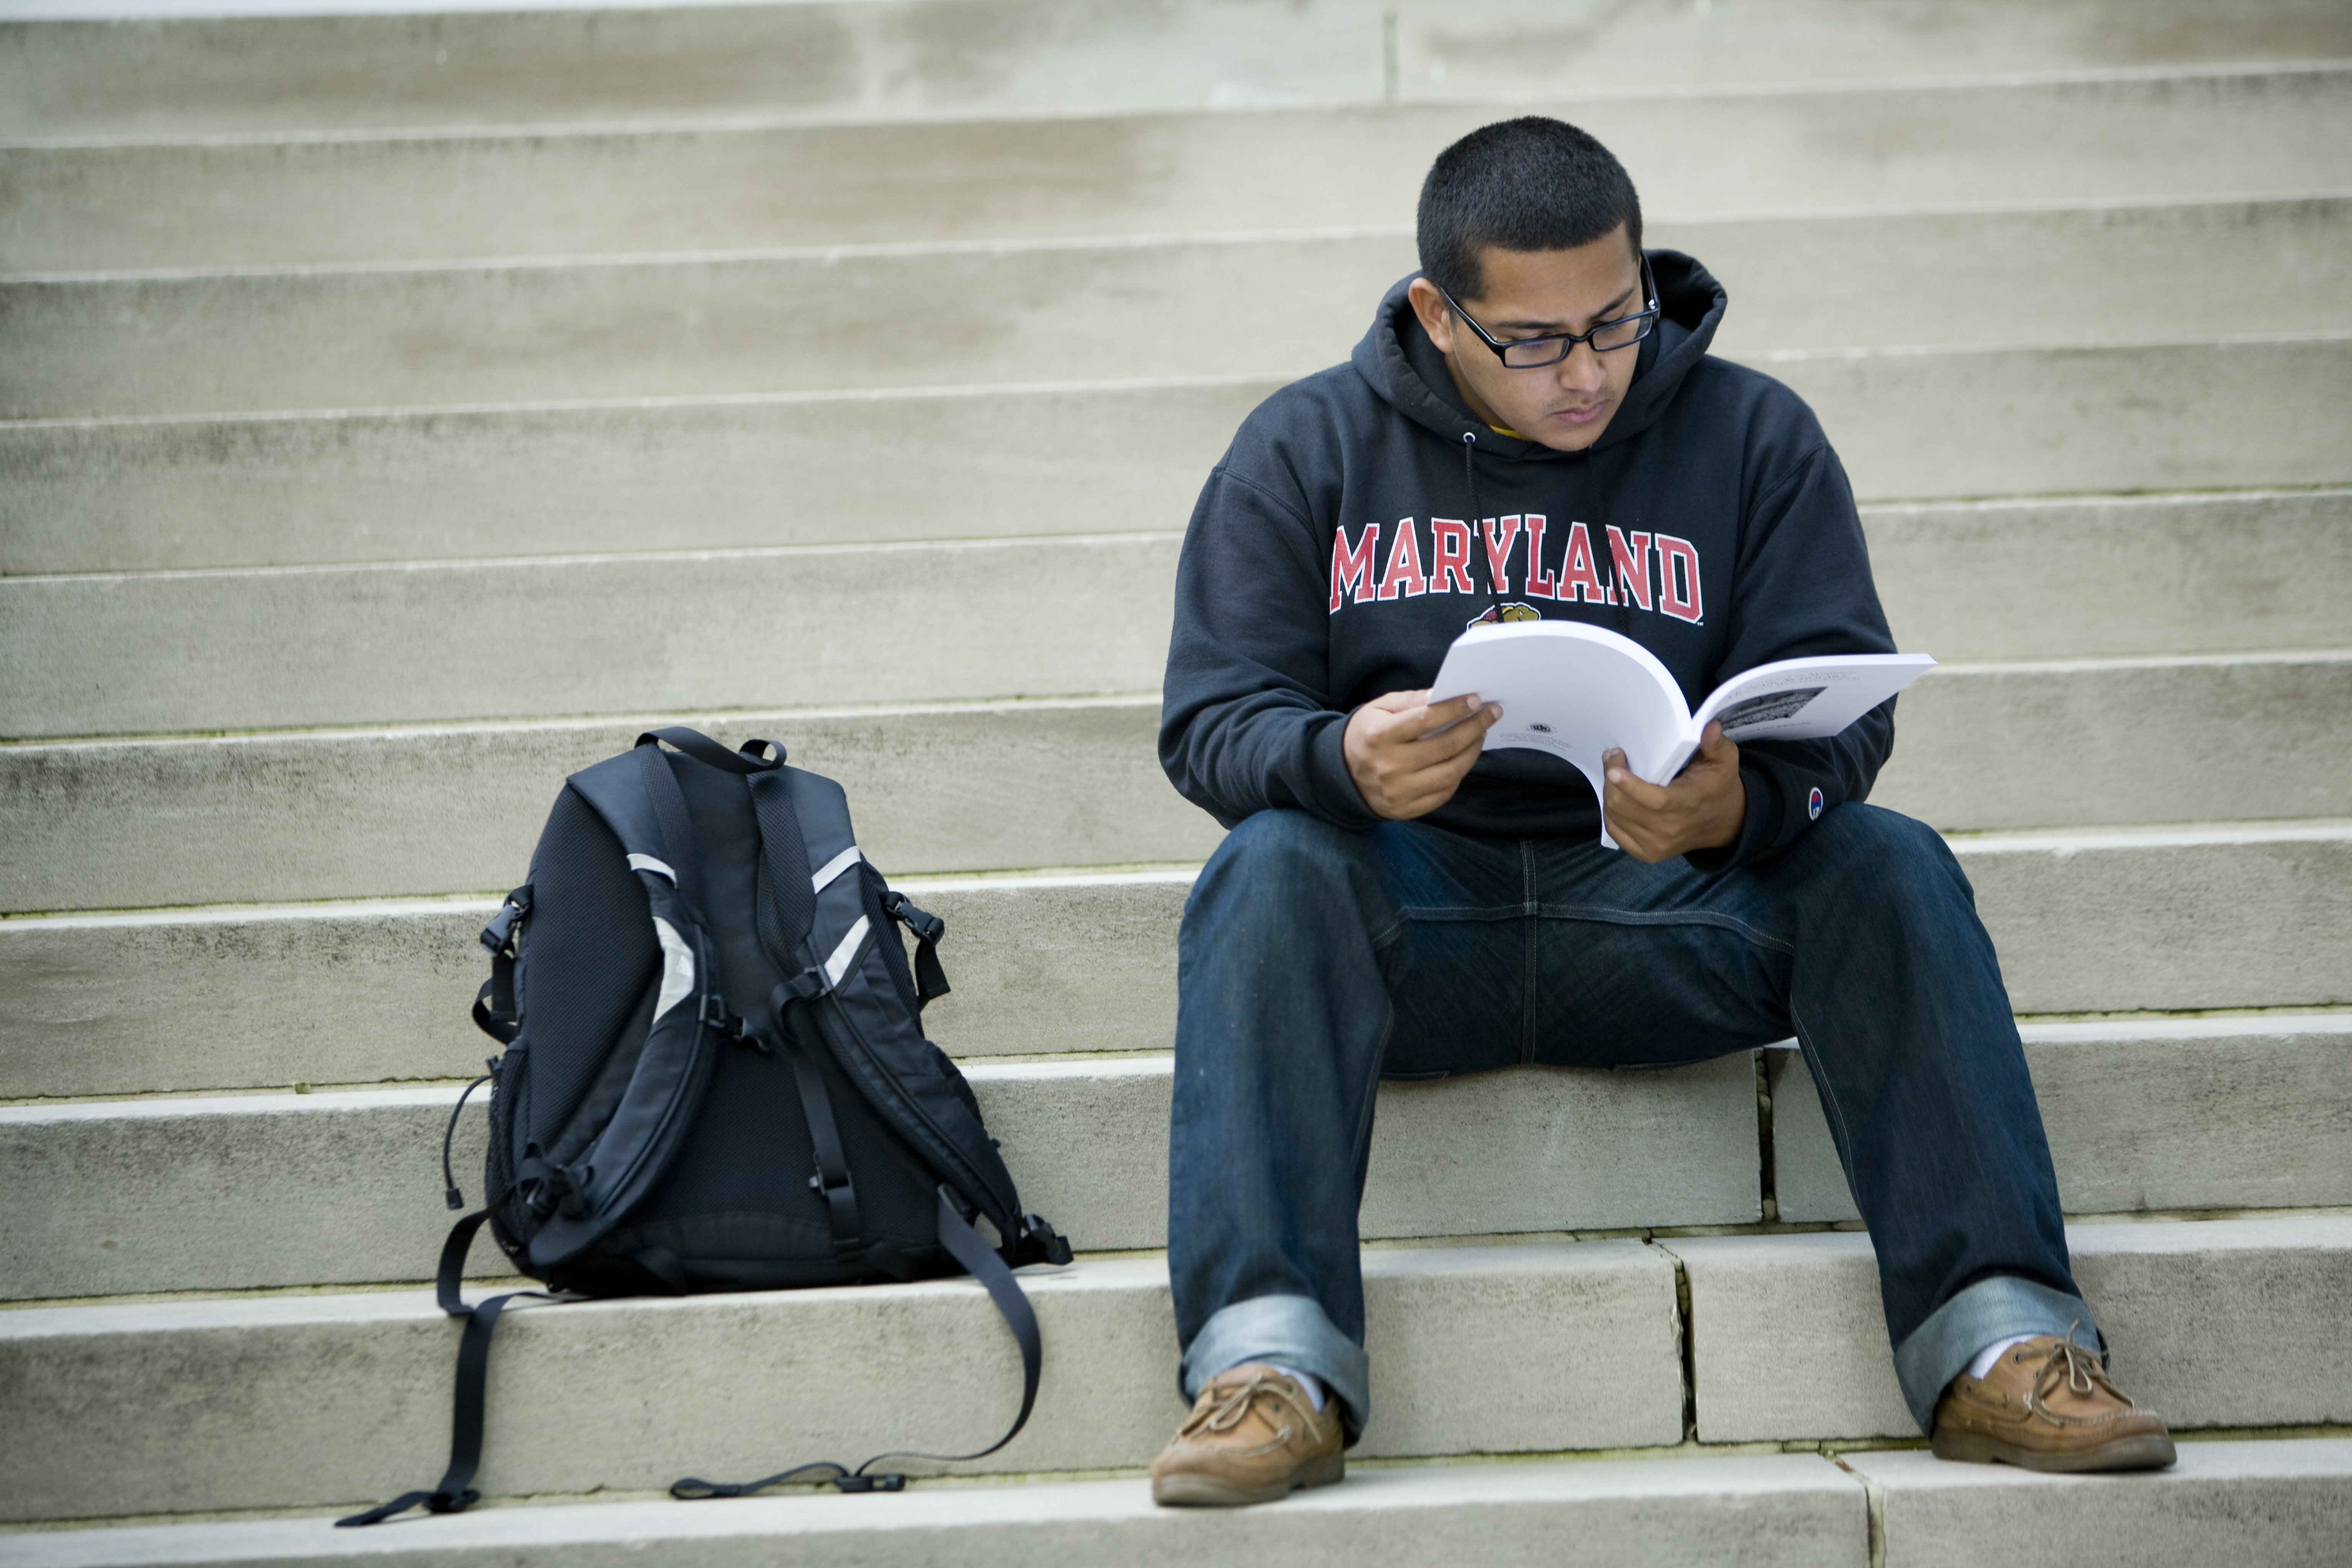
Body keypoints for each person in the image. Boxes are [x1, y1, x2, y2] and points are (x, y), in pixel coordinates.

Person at [1145, 116, 2175, 1508]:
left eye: (1615, 321)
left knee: (1890, 863)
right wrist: (1340, 763)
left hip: (1666, 913)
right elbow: (1211, 721)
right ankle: (1271, 1370)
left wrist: (1733, 805)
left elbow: (1848, 712)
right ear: (1437, 312)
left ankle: (2002, 1344)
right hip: (1410, 931)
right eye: (1535, 339)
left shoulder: (1753, 435)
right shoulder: (1305, 448)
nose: (1587, 372)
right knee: (1268, 867)